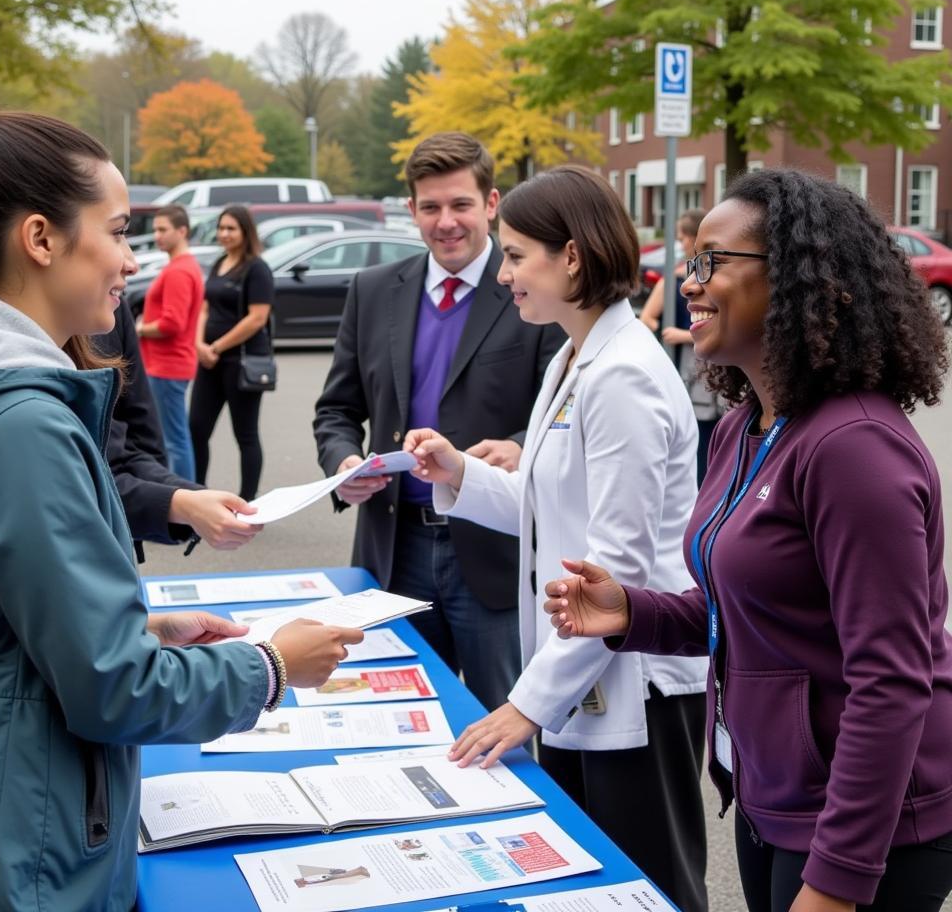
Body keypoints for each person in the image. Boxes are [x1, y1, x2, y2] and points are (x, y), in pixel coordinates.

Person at [0, 75, 363, 912]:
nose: (134, 260)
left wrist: (142, 626)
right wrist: (272, 666)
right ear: (41, 240)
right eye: (119, 232)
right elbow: (112, 689)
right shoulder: (21, 423)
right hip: (16, 847)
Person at [544, 169, 952, 912]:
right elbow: (745, 604)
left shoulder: (855, 449)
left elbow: (892, 682)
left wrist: (835, 882)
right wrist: (634, 614)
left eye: (711, 263)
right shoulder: (746, 426)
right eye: (688, 262)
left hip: (867, 831)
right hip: (775, 799)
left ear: (796, 279)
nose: (688, 283)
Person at [404, 166, 710, 912]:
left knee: (652, 885)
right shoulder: (576, 358)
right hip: (581, 669)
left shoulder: (623, 374)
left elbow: (616, 572)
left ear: (571, 257)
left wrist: (526, 704)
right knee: (591, 885)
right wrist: (458, 474)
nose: (503, 273)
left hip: (637, 683)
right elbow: (549, 511)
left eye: (515, 255)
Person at [313, 132, 564, 712]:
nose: (446, 222)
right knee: (393, 714)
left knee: (504, 722)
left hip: (493, 553)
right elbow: (337, 409)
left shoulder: (533, 289)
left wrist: (522, 446)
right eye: (431, 207)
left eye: (460, 205)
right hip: (393, 547)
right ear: (411, 211)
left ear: (492, 204)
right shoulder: (373, 290)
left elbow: (565, 411)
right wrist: (342, 463)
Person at [100, 303, 263, 560]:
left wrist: (184, 498)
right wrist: (181, 504)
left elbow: (133, 445)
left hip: (173, 367)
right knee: (185, 437)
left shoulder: (112, 308)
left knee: (181, 439)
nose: (132, 265)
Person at [189, 204, 274, 501]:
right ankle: (197, 494)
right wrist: (199, 344)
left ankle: (248, 502)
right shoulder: (219, 263)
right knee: (196, 429)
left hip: (241, 362)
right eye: (221, 228)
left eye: (230, 229)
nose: (223, 234)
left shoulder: (257, 269)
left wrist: (216, 347)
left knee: (245, 434)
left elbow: (257, 318)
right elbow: (205, 306)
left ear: (245, 231)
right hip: (209, 361)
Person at [640, 209, 723, 485]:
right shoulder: (673, 280)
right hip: (686, 374)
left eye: (682, 238)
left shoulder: (719, 281)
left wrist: (686, 334)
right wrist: (666, 337)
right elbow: (648, 317)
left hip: (717, 378)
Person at [136, 204, 204, 479]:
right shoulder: (181, 266)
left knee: (174, 441)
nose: (157, 236)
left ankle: (187, 501)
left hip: (167, 365)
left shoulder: (179, 270)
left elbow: (172, 323)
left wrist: (141, 329)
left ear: (182, 231)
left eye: (163, 229)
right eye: (155, 230)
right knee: (174, 438)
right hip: (169, 364)